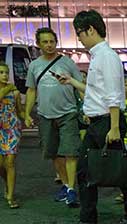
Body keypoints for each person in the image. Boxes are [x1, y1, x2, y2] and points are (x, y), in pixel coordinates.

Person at [61, 9, 127, 224]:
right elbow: (97, 91)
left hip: (108, 122)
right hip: (101, 122)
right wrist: (71, 82)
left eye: (80, 32)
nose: (79, 37)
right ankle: (89, 219)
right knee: (87, 169)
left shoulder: (106, 56)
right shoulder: (100, 56)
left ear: (91, 30)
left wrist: (115, 126)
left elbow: (114, 93)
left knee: (121, 171)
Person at [24, 27, 82, 207]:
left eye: (52, 41)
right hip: (45, 115)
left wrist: (87, 108)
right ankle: (65, 185)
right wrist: (26, 113)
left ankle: (72, 189)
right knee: (54, 153)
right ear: (38, 44)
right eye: (45, 42)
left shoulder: (67, 62)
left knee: (71, 152)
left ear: (56, 42)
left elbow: (80, 85)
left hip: (68, 113)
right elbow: (31, 90)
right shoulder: (34, 66)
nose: (49, 45)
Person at [0, 63, 23, 208]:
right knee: (1, 164)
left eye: (6, 72)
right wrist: (9, 87)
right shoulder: (11, 89)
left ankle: (11, 196)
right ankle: (6, 184)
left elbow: (19, 110)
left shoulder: (15, 93)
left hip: (12, 128)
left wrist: (26, 116)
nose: (4, 75)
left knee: (10, 162)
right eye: (1, 72)